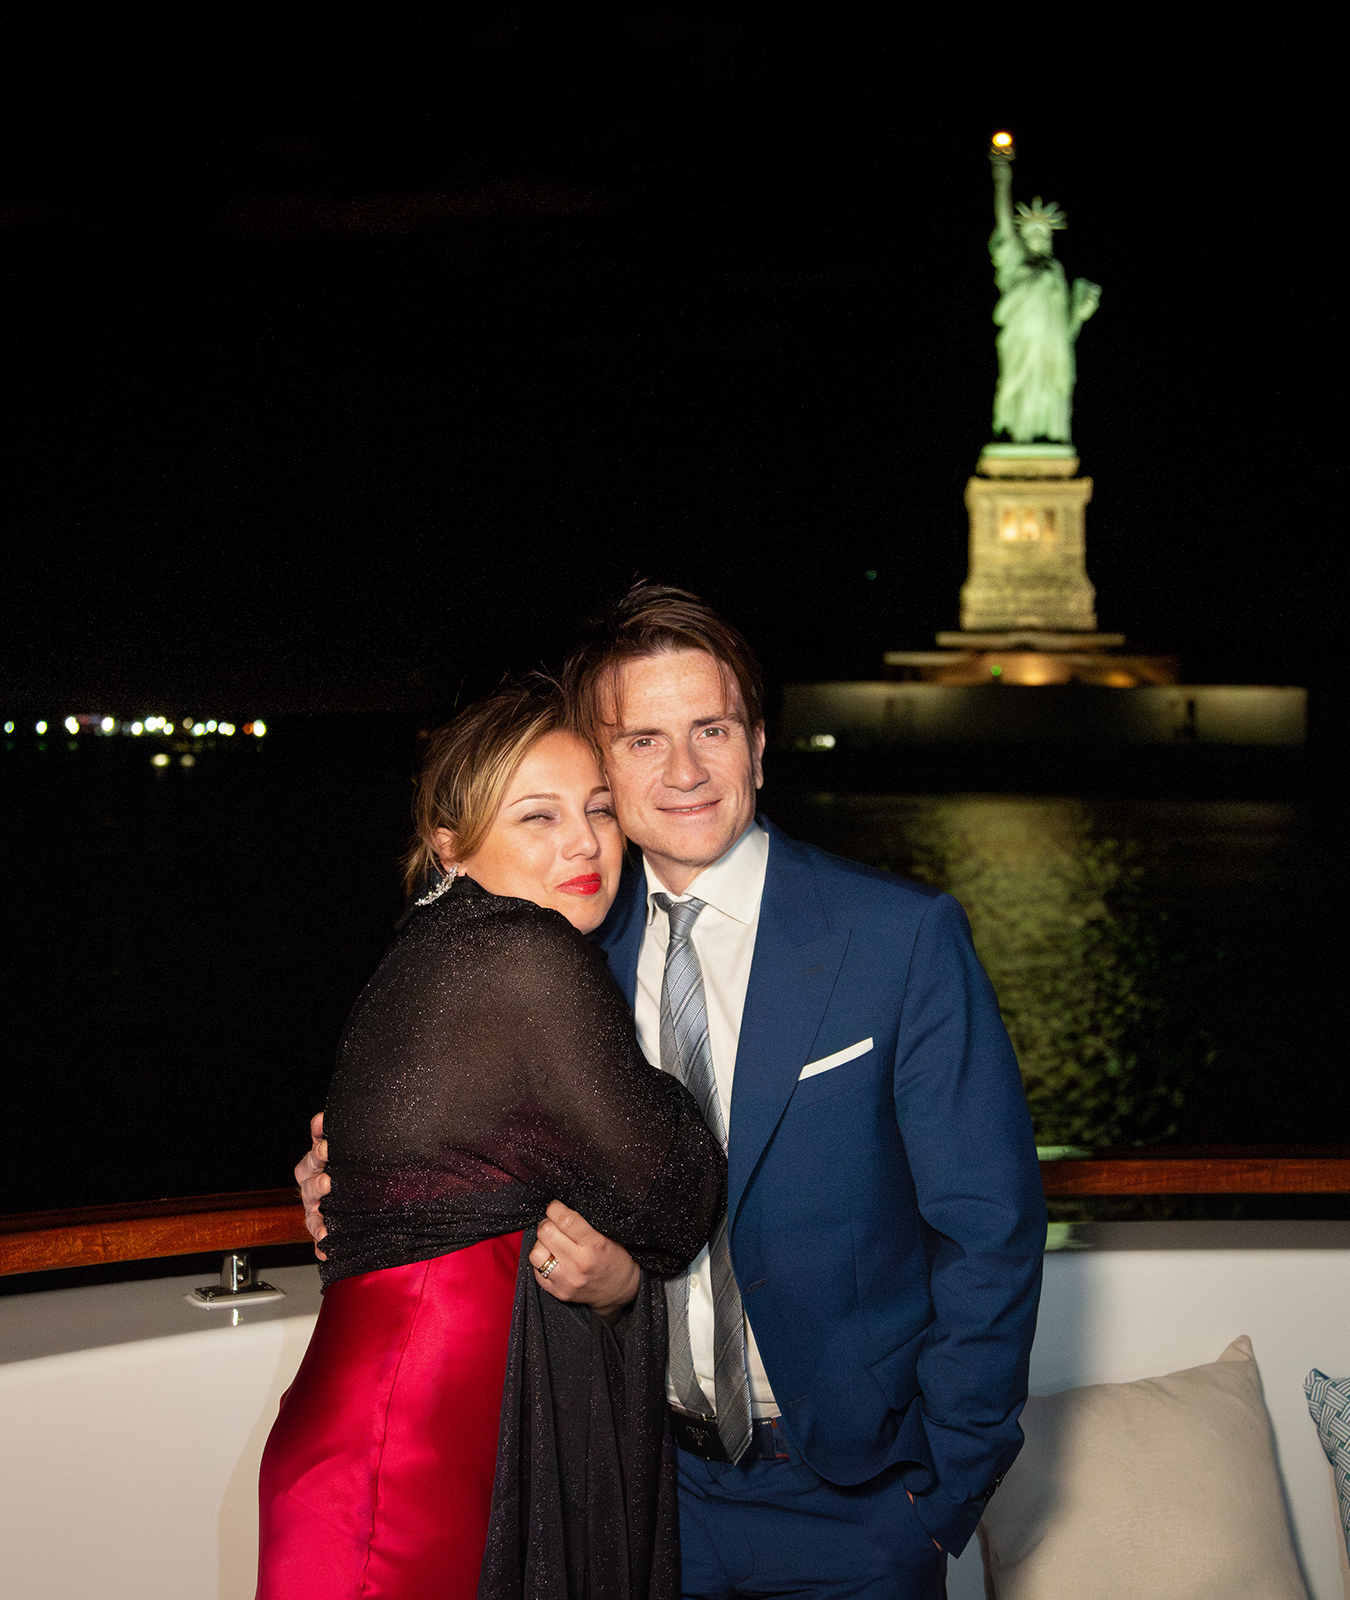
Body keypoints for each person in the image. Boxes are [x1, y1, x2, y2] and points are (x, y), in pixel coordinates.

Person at [304, 585, 1045, 1600]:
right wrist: (345, 1177)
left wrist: (937, 1493)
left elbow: (990, 1225)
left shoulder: (899, 937)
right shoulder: (561, 949)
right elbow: (445, 1134)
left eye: (712, 729)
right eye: (643, 740)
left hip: (858, 1506)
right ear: (600, 761)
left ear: (759, 743)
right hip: (641, 1489)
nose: (686, 770)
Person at [257, 680, 726, 1600]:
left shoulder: (436, 951)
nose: (585, 843)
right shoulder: (523, 955)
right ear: (450, 846)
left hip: (389, 1433)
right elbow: (674, 1195)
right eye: (537, 817)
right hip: (411, 1457)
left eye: (598, 809)